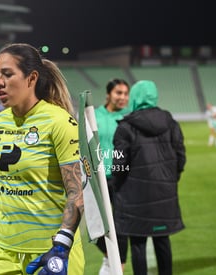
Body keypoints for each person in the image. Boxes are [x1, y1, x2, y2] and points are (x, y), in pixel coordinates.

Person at [0, 43, 85, 275]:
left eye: (7, 74)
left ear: (31, 78)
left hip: (51, 250)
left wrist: (62, 245)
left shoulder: (59, 122)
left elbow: (76, 191)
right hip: (3, 251)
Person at [111, 80, 186, 275]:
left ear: (135, 97)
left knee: (138, 242)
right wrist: (171, 179)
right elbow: (181, 157)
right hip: (164, 192)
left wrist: (116, 187)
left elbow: (119, 164)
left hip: (133, 196)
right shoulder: (171, 123)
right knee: (162, 239)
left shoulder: (125, 127)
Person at [94, 78, 130, 274]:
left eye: (125, 93)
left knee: (120, 226)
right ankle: (110, 258)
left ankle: (118, 267)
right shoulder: (94, 115)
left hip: (122, 178)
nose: (122, 97)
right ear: (108, 94)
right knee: (96, 226)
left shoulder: (129, 117)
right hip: (98, 178)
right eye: (118, 93)